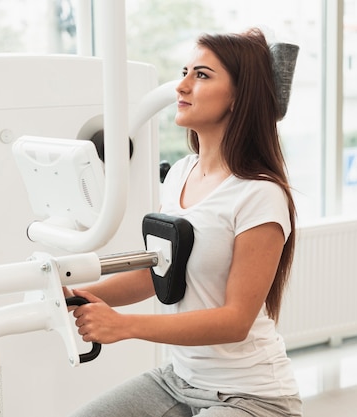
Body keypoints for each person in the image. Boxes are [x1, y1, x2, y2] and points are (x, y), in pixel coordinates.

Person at [66, 28, 302, 417]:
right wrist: (82, 295)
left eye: (202, 75)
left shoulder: (259, 194)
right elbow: (156, 273)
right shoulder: (180, 173)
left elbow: (235, 321)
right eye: (185, 72)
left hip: (252, 396)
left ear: (238, 98)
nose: (182, 85)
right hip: (179, 380)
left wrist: (124, 326)